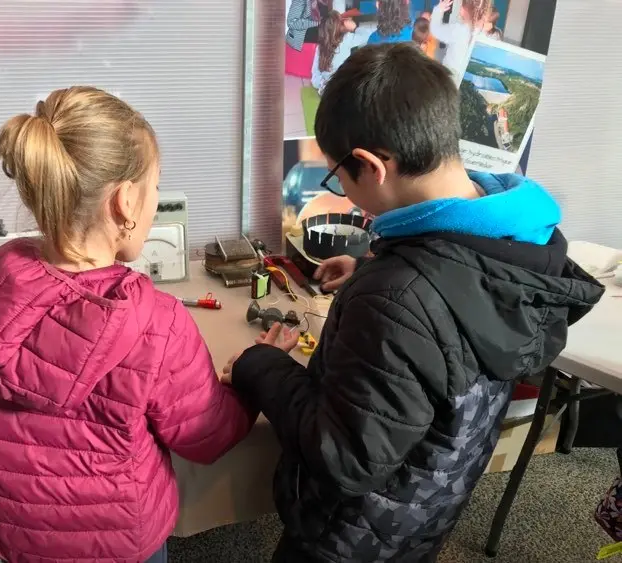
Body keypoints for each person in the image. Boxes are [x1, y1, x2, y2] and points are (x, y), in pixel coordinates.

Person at [222, 44, 605, 562]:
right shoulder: (522, 242)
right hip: (424, 511)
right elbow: (458, 301)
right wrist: (375, 270)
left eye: (337, 177)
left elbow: (346, 457)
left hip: (347, 539)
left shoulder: (398, 299)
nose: (342, 192)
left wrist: (261, 365)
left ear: (370, 166)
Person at [0, 86, 257, 563]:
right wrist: (252, 382)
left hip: (12, 536)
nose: (156, 202)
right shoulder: (157, 322)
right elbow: (207, 436)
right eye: (155, 188)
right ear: (124, 203)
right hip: (122, 545)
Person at [430, 0, 492, 84]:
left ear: (462, 10)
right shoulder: (486, 35)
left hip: (450, 81)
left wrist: (438, 9)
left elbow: (435, 29)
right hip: (466, 83)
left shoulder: (459, 30)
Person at [311, 11, 370, 93]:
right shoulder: (347, 39)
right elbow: (368, 36)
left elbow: (315, 75)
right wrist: (354, 28)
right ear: (340, 27)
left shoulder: (320, 47)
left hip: (328, 85)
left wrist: (322, 83)